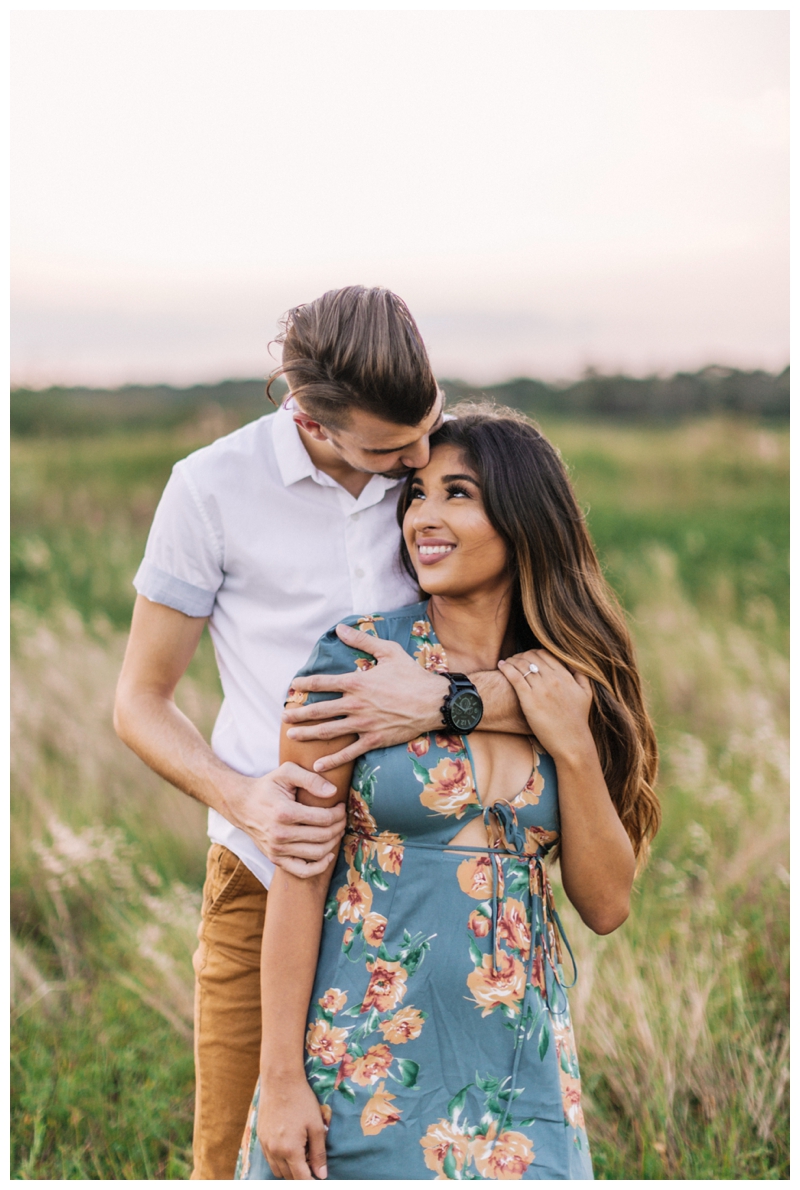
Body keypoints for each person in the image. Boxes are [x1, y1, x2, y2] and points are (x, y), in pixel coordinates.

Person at [113, 287, 533, 1179]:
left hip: (421, 879)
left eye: (428, 427)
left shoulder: (445, 474)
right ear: (309, 417)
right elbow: (139, 701)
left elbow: (556, 659)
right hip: (267, 872)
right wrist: (246, 799)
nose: (419, 459)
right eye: (392, 451)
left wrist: (451, 703)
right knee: (236, 1158)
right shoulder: (210, 490)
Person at [236, 406, 661, 1181]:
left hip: (520, 1074)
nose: (424, 519)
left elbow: (605, 906)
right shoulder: (357, 658)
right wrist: (282, 1081)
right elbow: (298, 882)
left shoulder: (565, 683)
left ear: (525, 516)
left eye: (456, 494)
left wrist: (571, 742)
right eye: (417, 496)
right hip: (361, 1064)